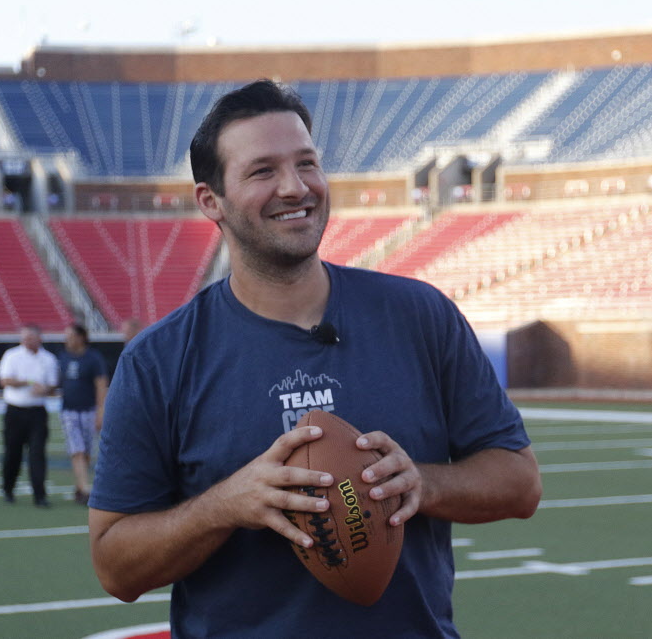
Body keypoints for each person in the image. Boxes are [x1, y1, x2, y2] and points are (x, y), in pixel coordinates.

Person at [88, 80, 542, 637]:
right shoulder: (157, 361)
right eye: (262, 171)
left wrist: (422, 482)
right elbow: (114, 566)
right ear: (212, 201)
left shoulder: (420, 314)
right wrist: (225, 505)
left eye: (307, 163)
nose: (295, 187)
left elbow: (521, 483)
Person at [0, 324, 59, 507]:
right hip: (15, 410)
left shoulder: (48, 358)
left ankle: (39, 495)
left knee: (37, 453)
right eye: (24, 338)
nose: (26, 341)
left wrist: (45, 389)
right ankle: (8, 489)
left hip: (37, 412)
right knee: (12, 453)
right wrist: (29, 382)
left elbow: (53, 386)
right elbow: (5, 380)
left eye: (30, 338)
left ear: (39, 338)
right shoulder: (12, 355)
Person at [57, 323, 108, 505]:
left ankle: (80, 486)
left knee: (86, 451)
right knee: (76, 450)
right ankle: (85, 488)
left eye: (70, 336)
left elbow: (101, 385)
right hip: (69, 411)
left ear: (80, 337)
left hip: (88, 410)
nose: (66, 340)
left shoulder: (93, 358)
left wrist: (101, 411)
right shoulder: (63, 357)